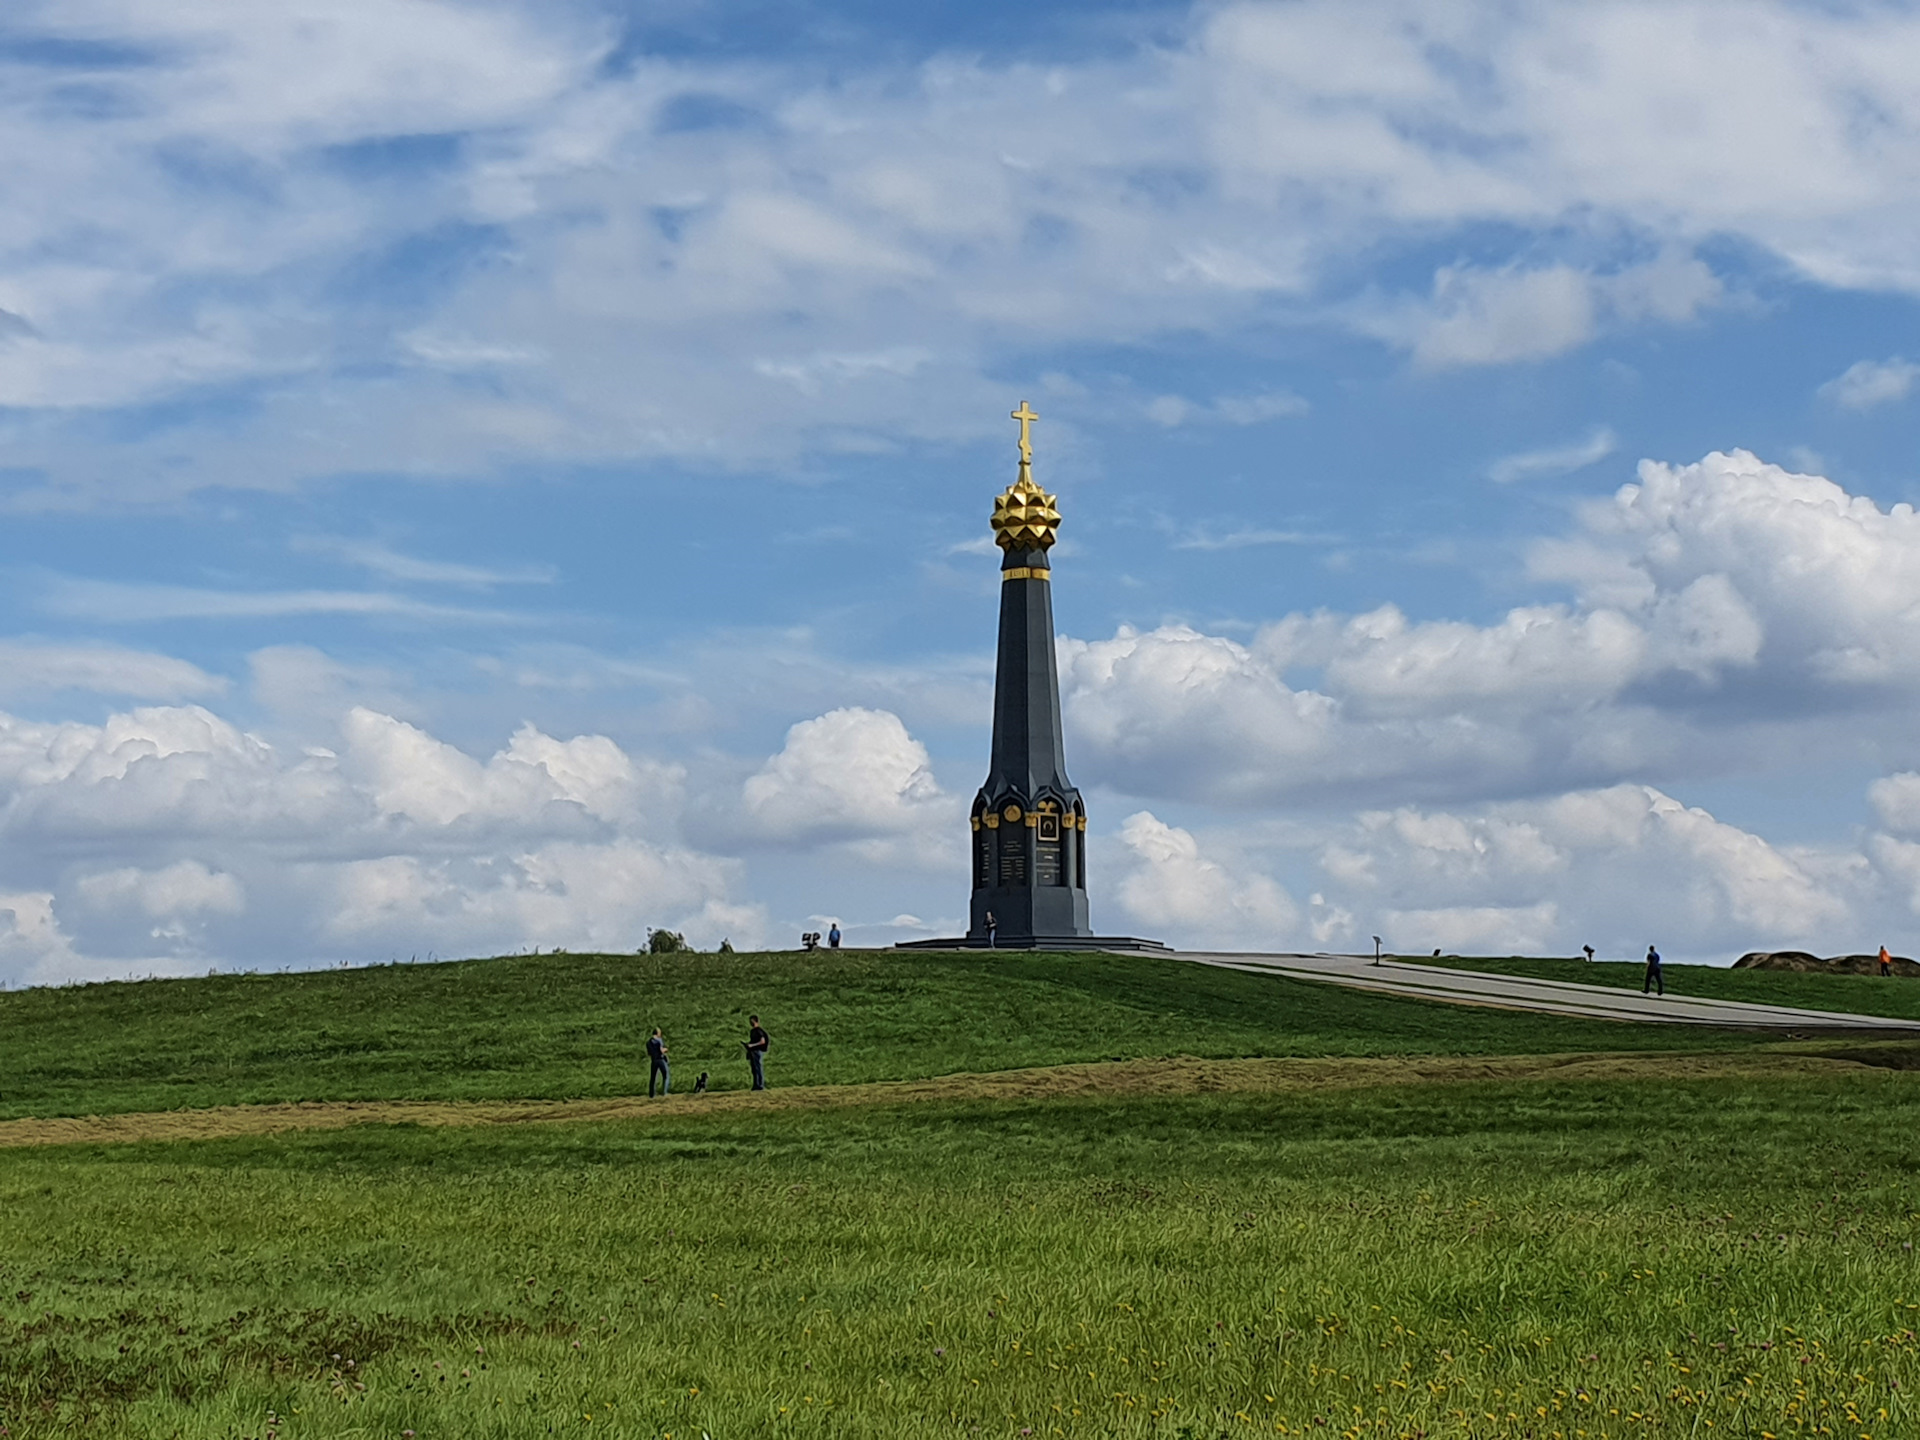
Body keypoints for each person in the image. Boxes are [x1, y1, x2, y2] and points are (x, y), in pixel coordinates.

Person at [745, 1014, 770, 1090]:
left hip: (757, 1051)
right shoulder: (752, 1031)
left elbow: (762, 1041)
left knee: (758, 1068)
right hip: (753, 1051)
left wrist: (752, 1045)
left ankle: (760, 1085)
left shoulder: (758, 1031)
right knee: (754, 1069)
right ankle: (756, 1084)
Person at [646, 1027, 670, 1097]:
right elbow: (661, 1051)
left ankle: (652, 1094)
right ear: (657, 1033)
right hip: (660, 1059)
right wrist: (665, 1050)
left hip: (653, 1060)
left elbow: (649, 1053)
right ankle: (664, 1092)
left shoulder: (648, 1042)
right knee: (665, 1075)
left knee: (653, 1077)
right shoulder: (658, 1041)